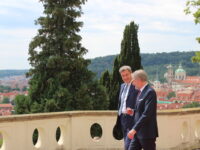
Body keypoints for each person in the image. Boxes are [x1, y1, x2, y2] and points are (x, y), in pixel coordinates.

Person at [128, 69, 158, 150]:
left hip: (147, 133)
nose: (132, 83)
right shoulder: (141, 92)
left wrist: (134, 129)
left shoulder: (150, 92)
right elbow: (141, 111)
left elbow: (147, 114)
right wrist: (133, 111)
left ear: (138, 80)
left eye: (133, 81)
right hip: (138, 133)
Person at [114, 66, 139, 150]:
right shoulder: (122, 86)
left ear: (131, 73)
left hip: (133, 119)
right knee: (126, 143)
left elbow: (140, 103)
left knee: (130, 146)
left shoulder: (136, 85)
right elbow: (121, 102)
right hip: (122, 118)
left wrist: (133, 111)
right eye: (123, 75)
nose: (125, 77)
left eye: (127, 75)